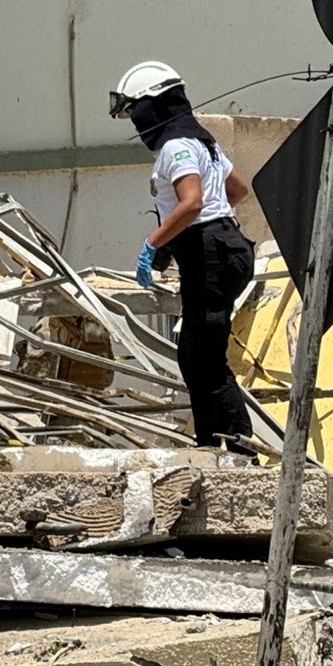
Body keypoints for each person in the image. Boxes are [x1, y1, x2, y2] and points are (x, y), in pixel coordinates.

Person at [111, 60, 256, 451]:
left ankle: (241, 453)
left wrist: (153, 243)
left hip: (210, 255)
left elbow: (191, 203)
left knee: (206, 359)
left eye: (135, 113)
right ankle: (209, 444)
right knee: (194, 355)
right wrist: (213, 223)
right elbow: (238, 191)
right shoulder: (202, 141)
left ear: (152, 108)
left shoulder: (175, 147)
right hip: (226, 249)